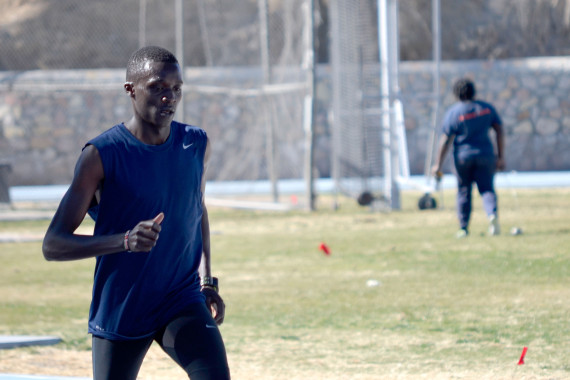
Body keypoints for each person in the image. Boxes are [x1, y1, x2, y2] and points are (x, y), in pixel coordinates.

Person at [42, 46, 230, 379]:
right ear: (131, 89)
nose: (168, 97)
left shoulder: (195, 145)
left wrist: (207, 281)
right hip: (123, 305)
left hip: (181, 298)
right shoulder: (101, 154)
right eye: (157, 86)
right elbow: (53, 244)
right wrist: (124, 241)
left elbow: (195, 210)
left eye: (176, 88)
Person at [432, 78, 505, 238]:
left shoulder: (454, 112)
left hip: (462, 158)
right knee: (487, 189)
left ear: (456, 94)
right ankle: (491, 215)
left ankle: (463, 228)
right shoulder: (486, 108)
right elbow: (499, 130)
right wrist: (500, 157)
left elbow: (446, 139)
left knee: (464, 191)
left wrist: (438, 164)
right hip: (486, 155)